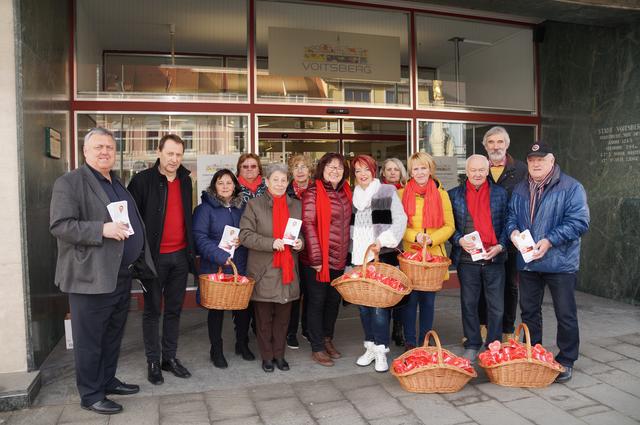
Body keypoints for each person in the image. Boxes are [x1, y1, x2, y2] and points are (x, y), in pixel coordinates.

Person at [50, 128, 156, 415]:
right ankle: (91, 394)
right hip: (89, 278)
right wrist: (101, 229)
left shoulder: (116, 182)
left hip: (120, 275)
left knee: (111, 335)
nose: (105, 151)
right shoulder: (70, 182)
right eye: (98, 147)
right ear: (85, 152)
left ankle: (107, 380)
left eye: (109, 147)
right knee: (90, 341)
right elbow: (61, 226)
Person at [506, 142, 589, 383]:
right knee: (529, 311)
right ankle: (534, 352)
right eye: (532, 160)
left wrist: (550, 240)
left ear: (552, 161)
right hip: (529, 261)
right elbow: (511, 216)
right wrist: (512, 233)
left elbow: (580, 222)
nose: (536, 163)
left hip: (559, 262)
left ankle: (566, 359)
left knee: (565, 313)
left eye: (541, 159)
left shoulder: (572, 187)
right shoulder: (521, 187)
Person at [127, 134, 195, 385]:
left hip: (179, 256)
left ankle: (169, 357)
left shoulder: (186, 180)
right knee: (153, 310)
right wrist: (138, 257)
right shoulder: (142, 181)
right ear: (158, 151)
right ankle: (153, 361)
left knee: (174, 310)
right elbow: (132, 222)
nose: (174, 159)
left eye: (178, 154)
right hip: (153, 260)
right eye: (169, 153)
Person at [240, 163, 304, 372]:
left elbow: (299, 234)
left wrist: (299, 243)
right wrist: (271, 243)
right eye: (275, 179)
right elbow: (245, 235)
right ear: (266, 181)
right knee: (264, 320)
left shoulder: (296, 205)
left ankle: (280, 355)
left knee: (283, 319)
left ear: (288, 182)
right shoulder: (254, 205)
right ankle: (267, 356)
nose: (279, 184)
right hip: (264, 270)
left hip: (287, 271)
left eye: (283, 180)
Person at [448, 155, 509, 362]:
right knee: (469, 303)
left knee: (496, 305)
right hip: (467, 259)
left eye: (481, 170)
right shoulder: (454, 195)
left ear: (488, 170)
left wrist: (501, 246)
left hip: (494, 258)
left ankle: (494, 343)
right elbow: (449, 227)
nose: (477, 174)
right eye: (473, 170)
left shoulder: (500, 194)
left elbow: (508, 223)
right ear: (466, 171)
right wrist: (458, 240)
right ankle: (473, 343)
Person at [350, 155, 407, 372]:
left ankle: (382, 350)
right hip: (359, 258)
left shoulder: (385, 191)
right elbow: (352, 228)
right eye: (357, 170)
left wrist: (381, 241)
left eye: (366, 169)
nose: (362, 174)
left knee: (379, 306)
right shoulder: (354, 195)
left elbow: (400, 220)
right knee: (364, 306)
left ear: (373, 171)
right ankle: (371, 346)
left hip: (381, 255)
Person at [192, 169, 253, 368]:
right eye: (221, 183)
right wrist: (221, 256)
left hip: (240, 265)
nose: (225, 186)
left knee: (243, 308)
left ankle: (242, 344)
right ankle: (216, 350)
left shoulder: (242, 207)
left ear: (235, 185)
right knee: (216, 310)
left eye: (229, 182)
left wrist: (243, 239)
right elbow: (200, 238)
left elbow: (250, 230)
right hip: (215, 265)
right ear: (214, 186)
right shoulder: (204, 209)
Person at [399, 152, 454, 350]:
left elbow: (449, 226)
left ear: (431, 169)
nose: (420, 172)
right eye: (416, 168)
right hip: (410, 257)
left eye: (424, 168)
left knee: (428, 302)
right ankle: (410, 341)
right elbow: (398, 225)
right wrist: (415, 236)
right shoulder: (401, 194)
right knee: (409, 301)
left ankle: (425, 339)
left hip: (433, 257)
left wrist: (432, 239)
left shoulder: (442, 194)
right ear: (410, 172)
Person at [301, 153, 352, 367]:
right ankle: (317, 346)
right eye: (330, 166)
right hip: (317, 260)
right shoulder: (312, 191)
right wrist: (315, 258)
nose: (335, 170)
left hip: (339, 258)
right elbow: (308, 224)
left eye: (339, 167)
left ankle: (327, 338)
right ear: (322, 169)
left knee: (333, 302)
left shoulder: (346, 192)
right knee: (317, 302)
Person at [481, 126, 528, 341]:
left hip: (511, 236)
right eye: (491, 142)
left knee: (510, 285)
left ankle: (508, 329)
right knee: (484, 283)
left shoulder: (521, 169)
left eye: (500, 142)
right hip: (484, 236)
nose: (496, 146)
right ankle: (483, 325)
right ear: (485, 146)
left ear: (507, 145)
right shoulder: (479, 168)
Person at [379, 157, 408, 346]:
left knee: (402, 293)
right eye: (388, 169)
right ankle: (383, 330)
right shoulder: (379, 192)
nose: (392, 172)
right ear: (383, 173)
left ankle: (399, 329)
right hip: (386, 249)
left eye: (395, 169)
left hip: (405, 247)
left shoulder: (407, 191)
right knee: (386, 291)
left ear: (401, 172)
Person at [285, 154, 314, 349]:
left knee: (311, 292)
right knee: (295, 292)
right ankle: (290, 332)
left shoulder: (317, 191)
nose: (301, 170)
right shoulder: (286, 192)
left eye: (304, 167)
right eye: (297, 167)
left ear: (310, 171)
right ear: (291, 172)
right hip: (292, 248)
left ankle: (308, 328)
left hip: (312, 246)